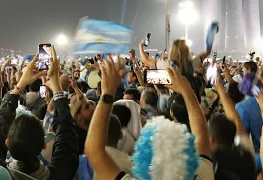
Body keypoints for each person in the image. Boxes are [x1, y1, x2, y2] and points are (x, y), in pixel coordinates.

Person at [85, 56, 213, 179]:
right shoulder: (202, 176)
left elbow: (93, 151)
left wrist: (107, 93)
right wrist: (187, 91)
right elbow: (202, 137)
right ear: (189, 154)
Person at [0, 47, 79, 179]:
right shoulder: (60, 175)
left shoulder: (2, 174)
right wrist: (55, 81)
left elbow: (1, 121)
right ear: (44, 144)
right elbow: (67, 131)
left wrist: (21, 83)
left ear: (7, 142)